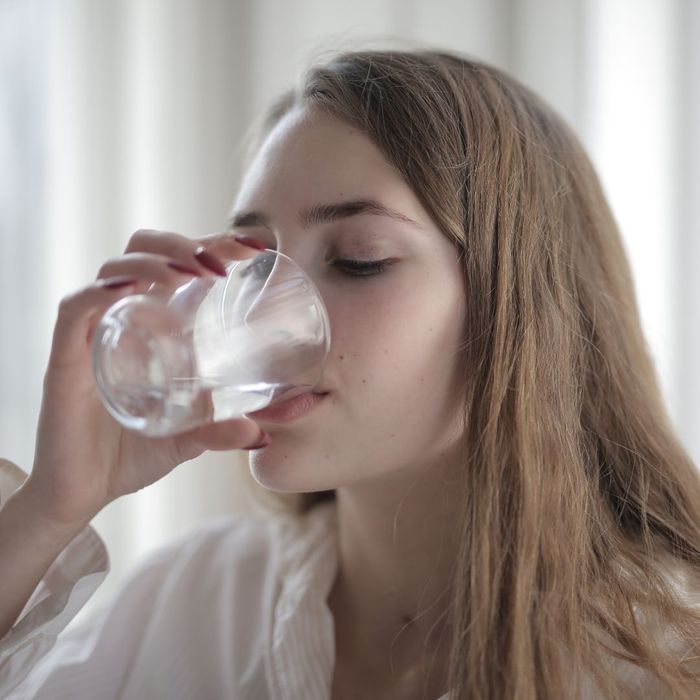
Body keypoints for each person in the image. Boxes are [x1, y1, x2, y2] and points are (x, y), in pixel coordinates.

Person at [1, 47, 700, 700]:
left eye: (359, 258)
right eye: (255, 263)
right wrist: (50, 509)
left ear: (519, 308)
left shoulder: (662, 662)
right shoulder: (192, 604)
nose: (266, 319)